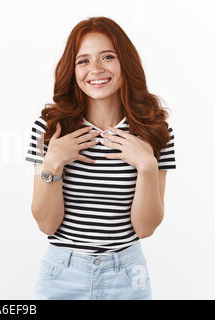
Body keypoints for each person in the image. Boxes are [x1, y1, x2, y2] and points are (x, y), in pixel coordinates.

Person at [25, 16, 176, 300]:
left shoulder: (154, 130)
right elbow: (46, 224)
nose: (95, 69)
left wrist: (146, 166)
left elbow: (145, 228)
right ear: (72, 69)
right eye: (83, 61)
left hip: (128, 277)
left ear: (125, 63)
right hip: (62, 274)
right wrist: (53, 164)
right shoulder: (50, 129)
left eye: (107, 57)